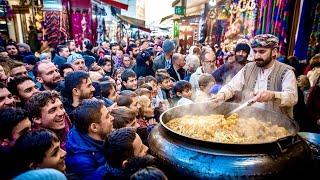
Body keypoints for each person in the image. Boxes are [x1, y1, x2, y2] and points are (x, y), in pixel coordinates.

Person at [213, 34, 298, 118]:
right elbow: (231, 87)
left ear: (274, 52)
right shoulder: (248, 68)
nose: (257, 56)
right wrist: (221, 96)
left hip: (276, 124)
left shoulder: (286, 72)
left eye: (262, 52)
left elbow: (292, 97)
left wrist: (273, 95)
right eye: (255, 52)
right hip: (249, 121)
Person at [66, 99, 114, 179]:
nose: (112, 118)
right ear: (94, 127)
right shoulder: (83, 162)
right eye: (107, 116)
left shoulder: (81, 127)